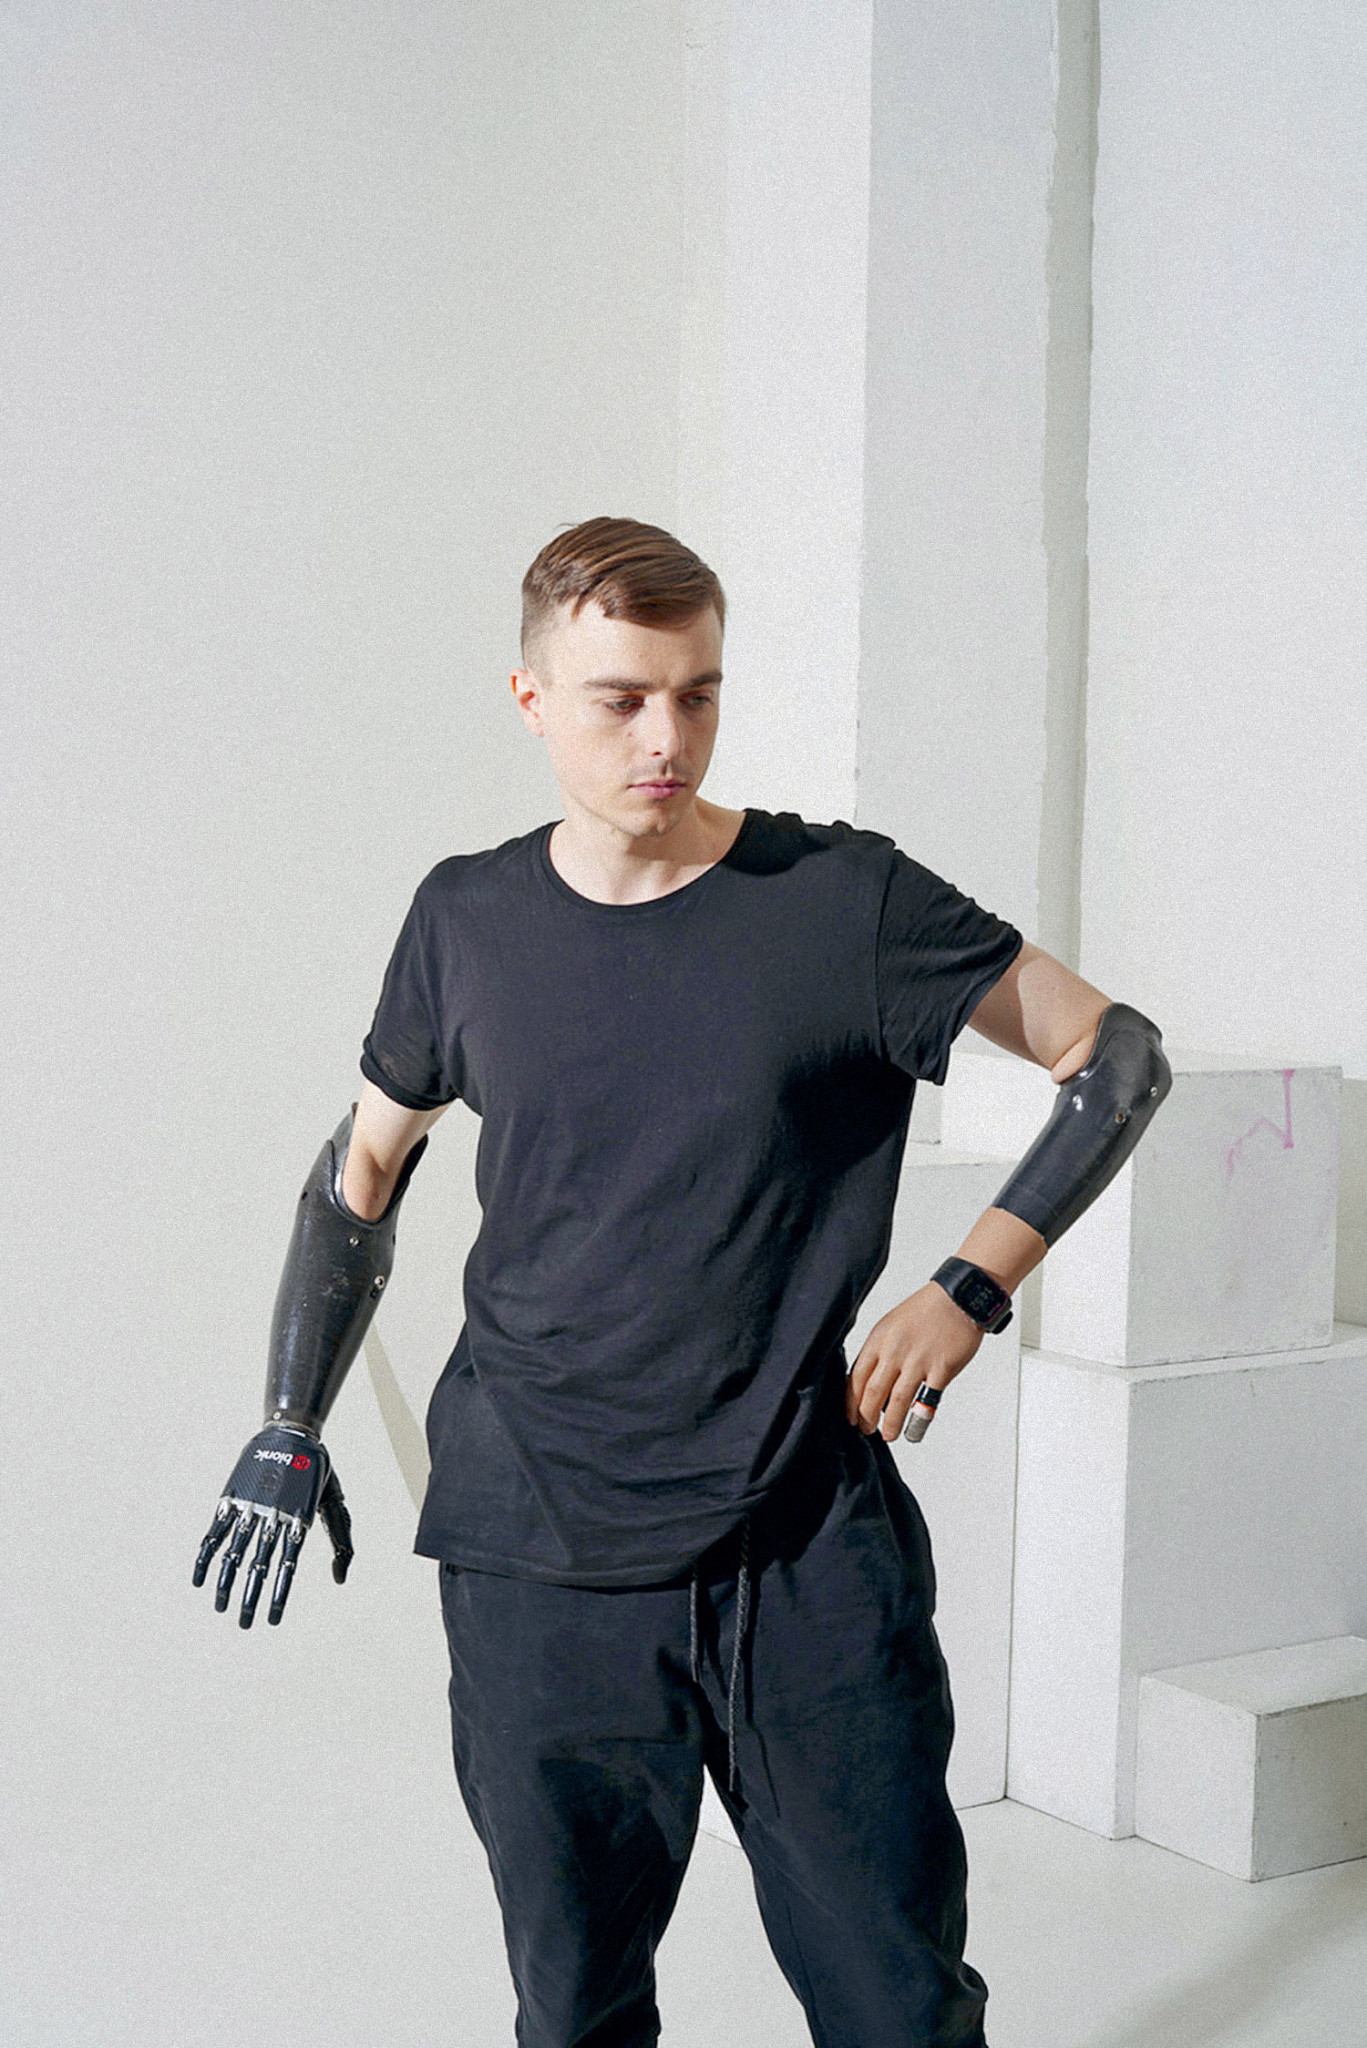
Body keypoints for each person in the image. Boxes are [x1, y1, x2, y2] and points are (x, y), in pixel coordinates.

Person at [195, 517, 1170, 2048]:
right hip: (536, 1556)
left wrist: (972, 1286)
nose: (669, 737)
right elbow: (359, 1173)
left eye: (698, 693)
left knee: (899, 2006)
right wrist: (287, 1417)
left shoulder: (843, 902)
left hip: (803, 1548)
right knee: (576, 2009)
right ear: (531, 699)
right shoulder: (464, 919)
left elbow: (1116, 1058)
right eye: (622, 699)